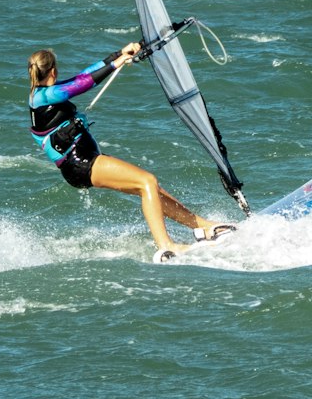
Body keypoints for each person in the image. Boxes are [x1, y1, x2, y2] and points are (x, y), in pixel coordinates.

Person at [28, 42, 234, 257]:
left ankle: (203, 226)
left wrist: (117, 54)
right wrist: (116, 64)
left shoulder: (42, 93)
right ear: (53, 70)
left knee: (152, 190)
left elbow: (81, 77)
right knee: (147, 182)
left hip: (82, 161)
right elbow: (84, 84)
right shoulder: (44, 96)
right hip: (81, 162)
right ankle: (166, 246)